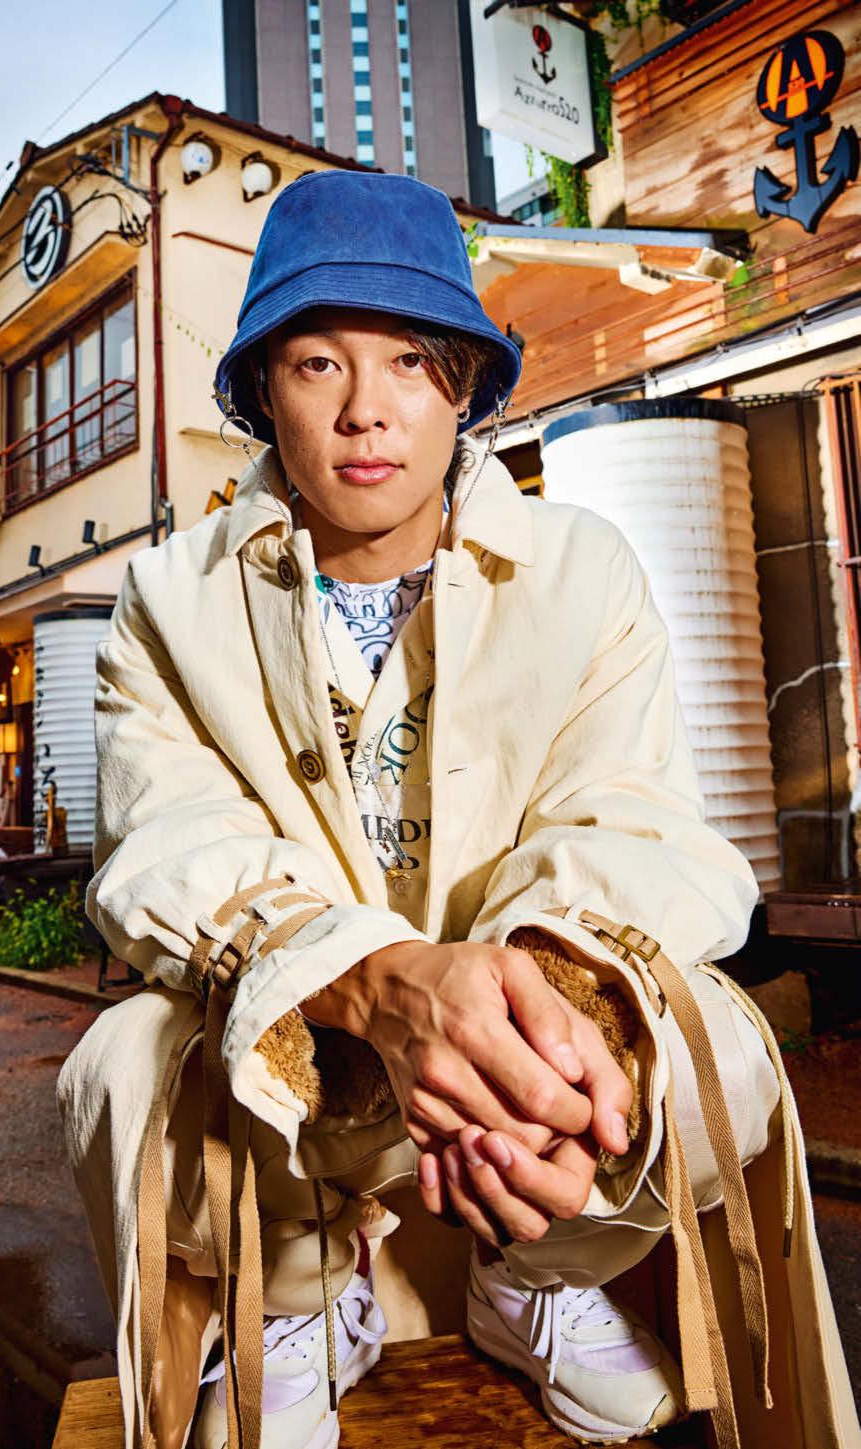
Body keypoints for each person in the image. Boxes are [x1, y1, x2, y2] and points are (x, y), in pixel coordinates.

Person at [57, 170, 859, 1449]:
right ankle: (299, 1304)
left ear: (466, 388)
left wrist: (540, 1001)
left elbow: (633, 820)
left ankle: (531, 1277)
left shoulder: (581, 564)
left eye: (412, 362)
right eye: (317, 362)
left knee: (724, 1047)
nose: (366, 409)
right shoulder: (170, 598)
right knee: (125, 1062)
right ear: (262, 389)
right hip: (310, 1064)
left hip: (521, 1061)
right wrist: (370, 982)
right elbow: (167, 844)